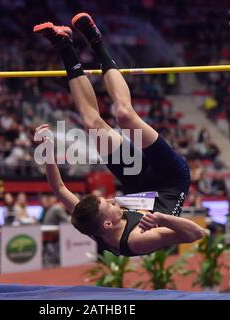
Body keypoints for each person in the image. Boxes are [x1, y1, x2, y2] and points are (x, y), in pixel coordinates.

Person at [34, 13, 207, 257]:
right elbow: (198, 234)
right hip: (170, 178)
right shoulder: (138, 239)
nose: (115, 201)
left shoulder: (91, 222)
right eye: (110, 205)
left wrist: (47, 150)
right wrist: (163, 219)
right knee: (125, 115)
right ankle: (96, 40)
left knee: (91, 123)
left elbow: (59, 189)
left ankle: (64, 44)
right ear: (108, 224)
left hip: (137, 179)